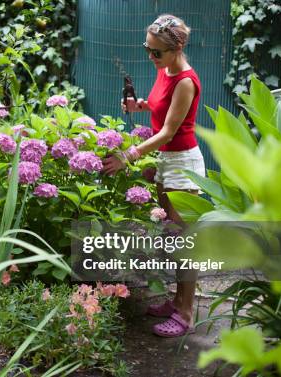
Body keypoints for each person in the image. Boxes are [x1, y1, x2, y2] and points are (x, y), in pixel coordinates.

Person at [101, 14, 205, 337]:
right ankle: (176, 301)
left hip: (183, 165)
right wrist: (141, 106)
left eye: (157, 52)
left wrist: (127, 156)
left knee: (184, 242)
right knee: (173, 237)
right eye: (148, 49)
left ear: (177, 49)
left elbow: (169, 131)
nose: (151, 57)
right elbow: (161, 109)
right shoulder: (165, 70)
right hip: (165, 162)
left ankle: (186, 312)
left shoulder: (186, 81)